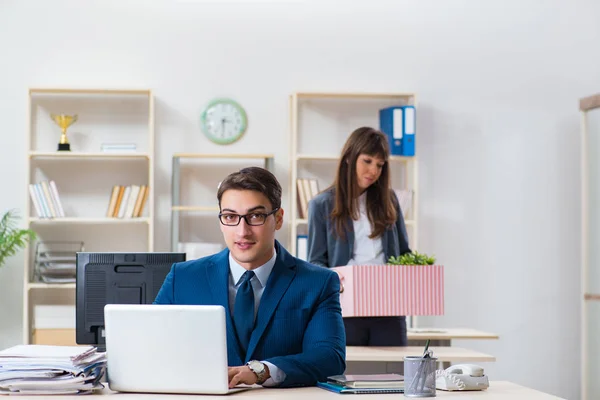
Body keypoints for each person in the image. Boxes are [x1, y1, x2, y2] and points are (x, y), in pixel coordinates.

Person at [154, 166, 345, 388]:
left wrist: (260, 371)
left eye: (255, 216)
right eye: (230, 216)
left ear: (279, 219)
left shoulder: (318, 283)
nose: (242, 231)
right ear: (221, 221)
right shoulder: (183, 278)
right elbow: (151, 346)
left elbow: (330, 359)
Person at [307, 126, 411, 346]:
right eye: (367, 161)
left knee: (395, 375)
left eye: (380, 165)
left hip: (389, 306)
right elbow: (316, 261)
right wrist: (334, 278)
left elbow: (404, 253)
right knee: (346, 375)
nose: (373, 170)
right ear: (349, 158)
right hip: (346, 307)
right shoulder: (322, 204)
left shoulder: (389, 201)